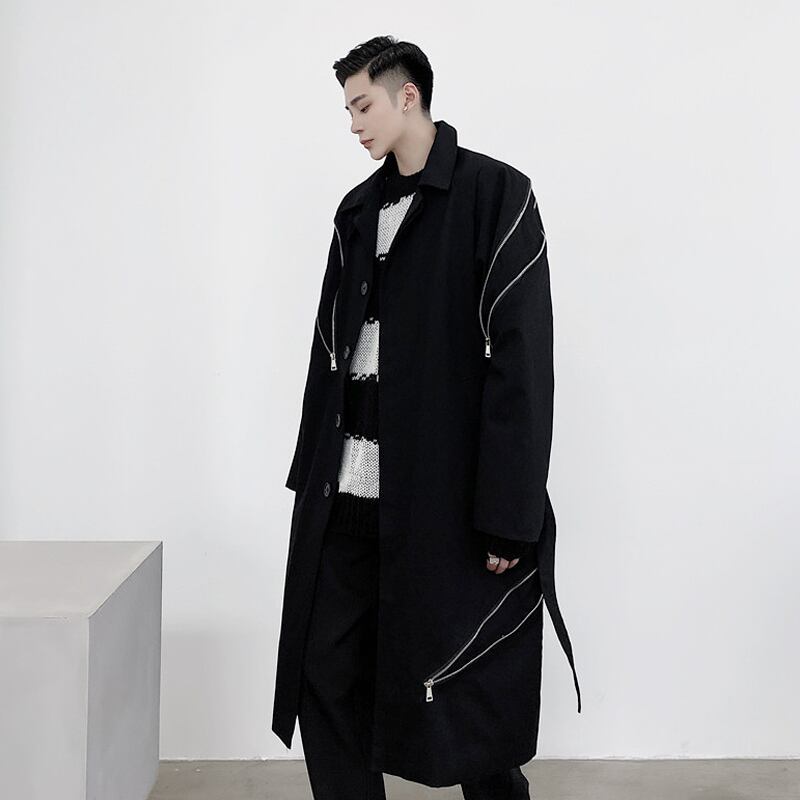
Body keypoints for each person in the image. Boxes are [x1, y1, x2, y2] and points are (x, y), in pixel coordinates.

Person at [272, 34, 581, 800]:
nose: (353, 124)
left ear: (407, 95)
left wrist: (509, 515)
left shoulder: (494, 195)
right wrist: (310, 481)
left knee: (467, 690)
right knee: (322, 676)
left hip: (444, 505)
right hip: (347, 499)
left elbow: (522, 367)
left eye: (362, 105)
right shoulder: (357, 211)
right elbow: (328, 352)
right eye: (347, 109)